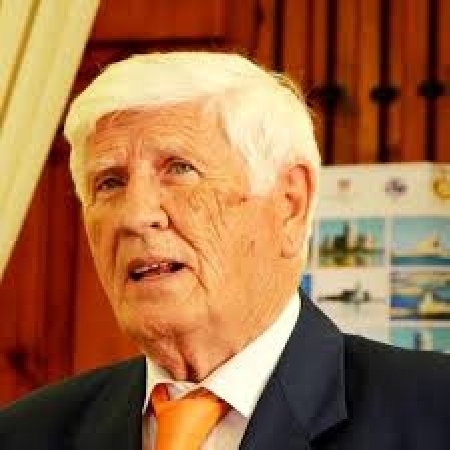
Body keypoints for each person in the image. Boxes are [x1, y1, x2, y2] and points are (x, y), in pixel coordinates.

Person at [1, 51, 450, 450]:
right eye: (110, 182)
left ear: (289, 204)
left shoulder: (434, 413)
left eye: (179, 169)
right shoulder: (24, 434)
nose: (135, 216)